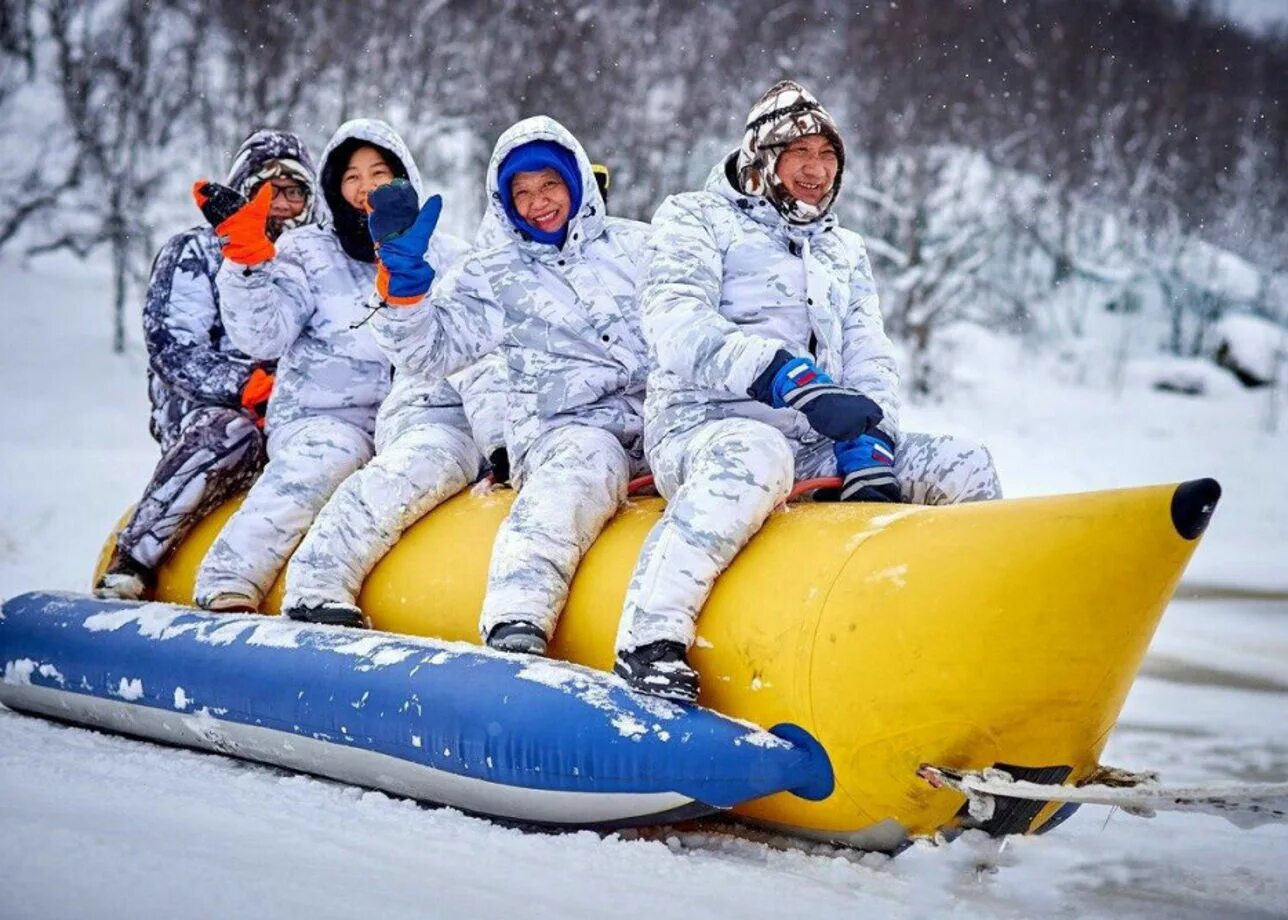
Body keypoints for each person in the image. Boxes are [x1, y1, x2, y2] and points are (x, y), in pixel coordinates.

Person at [612, 81, 1004, 702]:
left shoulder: (844, 249)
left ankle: (977, 646)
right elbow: (674, 323)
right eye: (799, 154)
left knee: (964, 464)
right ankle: (648, 641)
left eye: (828, 155)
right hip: (704, 428)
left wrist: (870, 437)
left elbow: (870, 352)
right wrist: (787, 376)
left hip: (813, 443)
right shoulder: (693, 217)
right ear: (762, 160)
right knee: (753, 452)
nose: (817, 170)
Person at [366, 115, 650, 654]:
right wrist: (403, 288)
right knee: (582, 465)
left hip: (658, 423)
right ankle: (517, 619)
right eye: (521, 192)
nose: (538, 202)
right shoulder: (495, 272)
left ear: (577, 184)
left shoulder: (639, 248)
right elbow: (429, 351)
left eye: (549, 185)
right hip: (565, 430)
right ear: (504, 202)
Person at [190, 119, 470, 621]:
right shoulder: (307, 253)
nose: (366, 188)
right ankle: (230, 579)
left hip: (415, 420)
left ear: (404, 179)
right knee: (330, 456)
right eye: (352, 177)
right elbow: (262, 336)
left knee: (427, 462)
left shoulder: (446, 254)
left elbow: (474, 348)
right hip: (326, 416)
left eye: (379, 173)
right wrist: (248, 266)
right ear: (335, 189)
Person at [94, 130, 315, 601]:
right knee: (232, 433)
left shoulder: (310, 261)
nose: (282, 204)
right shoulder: (196, 252)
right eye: (270, 190)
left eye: (295, 192)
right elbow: (173, 348)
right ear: (245, 188)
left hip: (295, 411)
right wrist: (246, 386)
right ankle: (133, 559)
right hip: (207, 411)